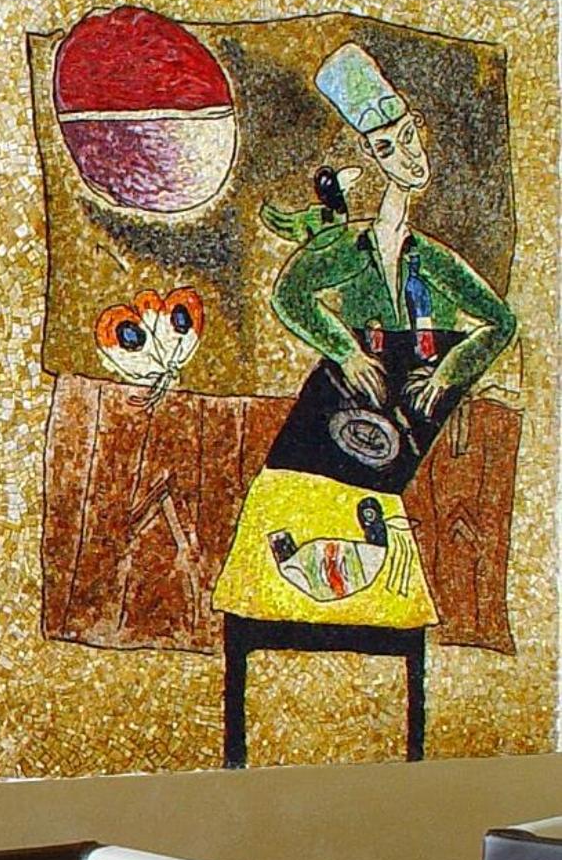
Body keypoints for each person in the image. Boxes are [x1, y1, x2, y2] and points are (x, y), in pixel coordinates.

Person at [211, 42, 517, 763]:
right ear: (367, 160)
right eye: (388, 146)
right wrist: (344, 350)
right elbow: (290, 295)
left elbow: (500, 324)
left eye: (408, 137)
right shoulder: (343, 250)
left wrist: (449, 374)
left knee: (379, 542)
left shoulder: (433, 260)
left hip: (392, 436)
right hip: (329, 421)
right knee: (281, 522)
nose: (408, 156)